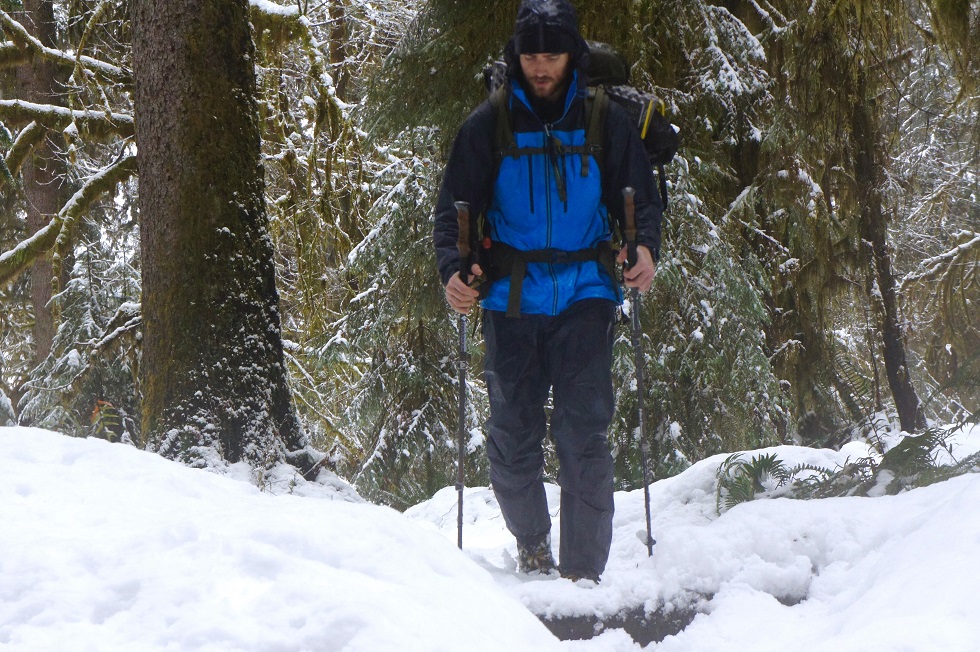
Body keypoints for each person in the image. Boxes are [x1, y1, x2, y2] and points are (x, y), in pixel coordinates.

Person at [433, 0, 662, 583]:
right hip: (511, 296)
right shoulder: (488, 124)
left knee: (584, 431)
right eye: (531, 55)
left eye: (552, 55)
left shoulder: (605, 119)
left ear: (572, 55)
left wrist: (644, 251)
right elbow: (452, 210)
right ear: (517, 55)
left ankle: (585, 576)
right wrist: (454, 273)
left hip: (586, 290)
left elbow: (639, 197)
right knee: (512, 436)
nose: (540, 67)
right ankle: (533, 545)